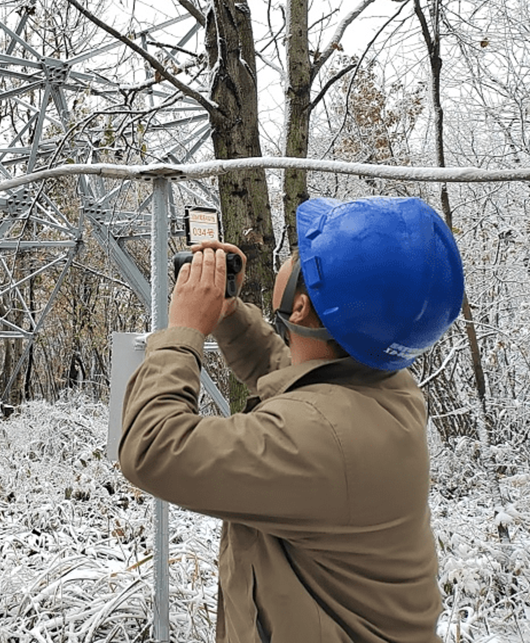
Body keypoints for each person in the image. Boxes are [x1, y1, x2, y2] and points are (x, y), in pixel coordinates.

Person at [118, 196, 464, 643]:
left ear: (300, 306)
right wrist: (229, 317)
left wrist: (184, 330)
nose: (288, 255)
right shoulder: (386, 392)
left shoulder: (318, 437)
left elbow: (152, 447)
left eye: (300, 255)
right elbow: (296, 376)